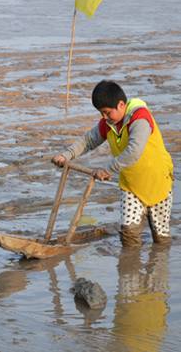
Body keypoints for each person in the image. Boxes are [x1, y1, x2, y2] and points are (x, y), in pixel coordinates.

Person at [52, 80, 174, 247]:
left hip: (158, 181)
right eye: (101, 113)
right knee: (129, 235)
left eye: (107, 112)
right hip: (131, 186)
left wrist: (107, 169)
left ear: (121, 105)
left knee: (161, 239)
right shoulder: (109, 123)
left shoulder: (140, 118)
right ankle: (130, 271)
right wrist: (66, 155)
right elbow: (89, 140)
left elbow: (134, 151)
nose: (104, 117)